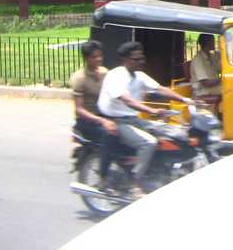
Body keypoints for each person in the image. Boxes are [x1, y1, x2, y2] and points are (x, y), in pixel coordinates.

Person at [97, 41, 194, 197]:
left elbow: (160, 89)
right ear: (125, 60)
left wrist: (185, 100)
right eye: (136, 59)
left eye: (141, 58)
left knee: (174, 132)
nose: (141, 61)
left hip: (133, 119)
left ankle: (159, 171)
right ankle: (135, 183)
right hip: (116, 121)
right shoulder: (115, 76)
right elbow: (128, 100)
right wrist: (152, 110)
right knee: (148, 142)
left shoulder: (139, 76)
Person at [69, 40, 117, 184]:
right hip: (87, 121)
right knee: (111, 136)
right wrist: (102, 121)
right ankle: (104, 176)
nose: (98, 59)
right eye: (94, 57)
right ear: (86, 58)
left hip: (105, 115)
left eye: (100, 56)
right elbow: (79, 109)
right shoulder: (79, 78)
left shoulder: (104, 73)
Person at [190, 34, 221, 113]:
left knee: (232, 88)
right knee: (231, 90)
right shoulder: (198, 60)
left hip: (213, 87)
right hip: (203, 90)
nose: (215, 43)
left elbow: (221, 68)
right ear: (207, 43)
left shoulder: (212, 56)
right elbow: (205, 83)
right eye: (213, 41)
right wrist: (222, 79)